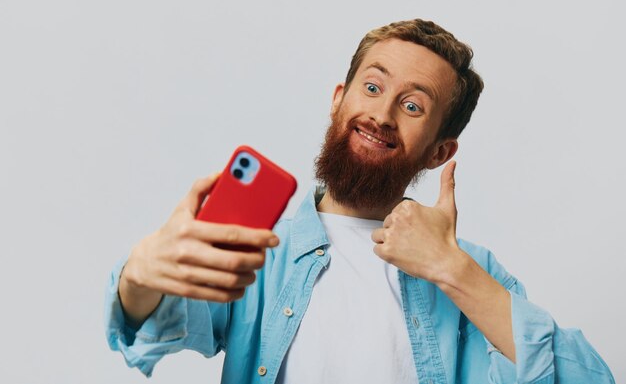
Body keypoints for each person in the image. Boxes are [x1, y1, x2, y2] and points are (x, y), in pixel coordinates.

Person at [104, 19, 615, 384]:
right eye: (372, 87)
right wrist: (141, 276)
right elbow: (151, 326)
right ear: (338, 99)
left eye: (412, 105)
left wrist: (451, 270)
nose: (382, 114)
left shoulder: (471, 273)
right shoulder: (261, 249)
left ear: (440, 151)